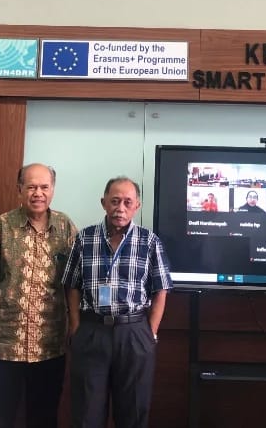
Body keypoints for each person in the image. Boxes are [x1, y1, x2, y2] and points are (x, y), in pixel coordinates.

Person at [0, 164, 77, 428]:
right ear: (20, 189)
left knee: (44, 418)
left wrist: (75, 326)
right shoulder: (1, 226)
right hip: (4, 343)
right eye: (31, 187)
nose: (38, 193)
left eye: (44, 187)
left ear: (53, 189)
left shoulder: (65, 227)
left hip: (50, 345)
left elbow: (72, 284)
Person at [63, 177, 173, 428]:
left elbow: (161, 290)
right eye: (114, 201)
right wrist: (76, 327)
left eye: (127, 202)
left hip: (134, 332)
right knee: (87, 414)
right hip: (92, 331)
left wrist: (150, 333)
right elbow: (71, 285)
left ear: (137, 206)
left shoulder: (149, 241)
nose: (120, 208)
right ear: (103, 203)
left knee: (133, 412)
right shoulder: (84, 239)